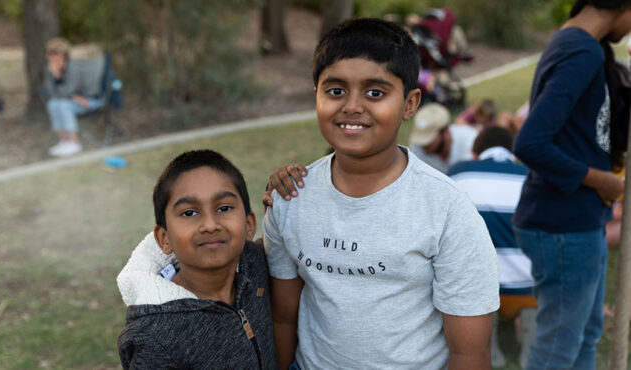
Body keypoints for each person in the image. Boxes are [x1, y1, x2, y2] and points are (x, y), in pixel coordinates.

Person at [264, 18, 499, 369]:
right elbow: (283, 319)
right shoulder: (290, 198)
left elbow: (469, 353)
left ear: (409, 103)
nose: (352, 106)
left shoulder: (447, 210)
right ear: (316, 95)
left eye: (375, 92)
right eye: (335, 90)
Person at [512, 1, 631, 369]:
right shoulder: (581, 51)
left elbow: (577, 132)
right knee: (557, 350)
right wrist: (600, 180)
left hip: (579, 221)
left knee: (586, 335)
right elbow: (530, 143)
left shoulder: (584, 45)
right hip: (563, 225)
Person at [116, 149, 278, 369]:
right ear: (164, 239)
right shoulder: (155, 336)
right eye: (189, 213)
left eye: (224, 208)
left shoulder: (256, 264)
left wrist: (288, 186)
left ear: (249, 225)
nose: (210, 225)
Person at [447, 126, 536, 368]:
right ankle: (531, 338)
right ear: (512, 154)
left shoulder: (458, 173)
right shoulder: (531, 176)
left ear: (475, 153)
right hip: (528, 289)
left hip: (479, 291)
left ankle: (488, 343)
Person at [42, 37, 105, 157]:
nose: (50, 57)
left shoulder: (73, 68)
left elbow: (68, 90)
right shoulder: (49, 69)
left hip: (90, 100)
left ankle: (74, 143)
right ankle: (64, 141)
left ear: (63, 55)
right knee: (53, 104)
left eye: (54, 53)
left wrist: (57, 76)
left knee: (62, 104)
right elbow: (50, 92)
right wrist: (72, 96)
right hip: (72, 101)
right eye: (48, 53)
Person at [409, 102, 478, 173]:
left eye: (429, 137)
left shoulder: (471, 141)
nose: (424, 144)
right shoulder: (418, 145)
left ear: (446, 131)